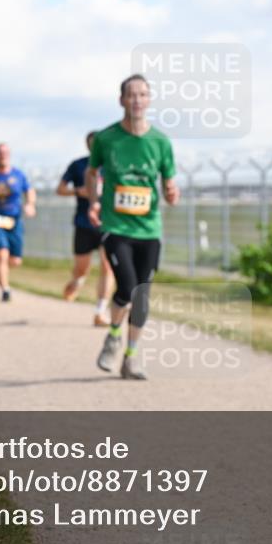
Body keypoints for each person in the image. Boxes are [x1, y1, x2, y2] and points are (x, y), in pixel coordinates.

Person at [87, 74, 179, 380]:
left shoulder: (160, 142)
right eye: (131, 95)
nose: (137, 100)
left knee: (141, 295)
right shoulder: (106, 138)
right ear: (122, 100)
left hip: (149, 229)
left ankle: (131, 356)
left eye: (142, 94)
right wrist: (93, 201)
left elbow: (168, 181)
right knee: (127, 286)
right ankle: (114, 336)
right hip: (116, 226)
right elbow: (91, 172)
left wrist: (171, 192)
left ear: (149, 99)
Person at [57, 131, 114, 326]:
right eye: (92, 144)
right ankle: (77, 281)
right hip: (83, 223)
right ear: (88, 145)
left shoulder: (112, 166)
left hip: (108, 223)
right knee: (82, 269)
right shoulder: (77, 165)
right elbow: (60, 189)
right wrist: (78, 191)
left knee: (108, 266)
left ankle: (100, 311)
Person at [0, 143, 36, 303]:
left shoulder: (18, 175)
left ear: (9, 155)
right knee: (2, 253)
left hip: (15, 219)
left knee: (15, 261)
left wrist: (30, 204)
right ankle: (5, 289)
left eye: (5, 153)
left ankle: (0, 269)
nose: (3, 155)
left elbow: (30, 191)